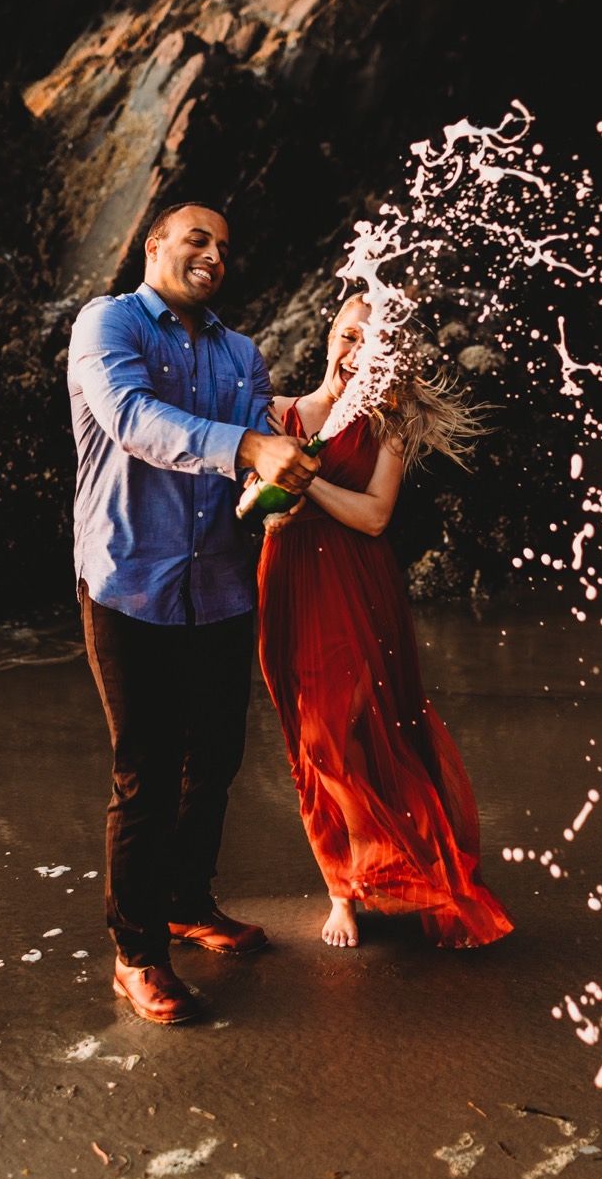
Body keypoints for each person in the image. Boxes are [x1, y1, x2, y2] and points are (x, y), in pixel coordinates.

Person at [67, 201, 319, 1024]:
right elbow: (133, 421)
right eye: (197, 239)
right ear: (154, 245)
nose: (213, 255)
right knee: (144, 769)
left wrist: (276, 486)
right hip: (126, 580)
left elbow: (258, 457)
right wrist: (249, 448)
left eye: (224, 247)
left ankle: (187, 903)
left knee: (211, 759)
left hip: (220, 587)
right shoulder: (107, 324)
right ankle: (136, 954)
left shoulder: (241, 352)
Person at [256, 292, 514, 950]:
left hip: (354, 579)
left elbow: (374, 516)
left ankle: (401, 865)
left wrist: (302, 478)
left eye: (372, 344)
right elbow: (246, 499)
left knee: (353, 728)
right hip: (286, 579)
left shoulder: (387, 423)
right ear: (328, 338)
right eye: (347, 335)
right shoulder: (273, 411)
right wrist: (267, 489)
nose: (354, 351)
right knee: (309, 742)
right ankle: (342, 886)